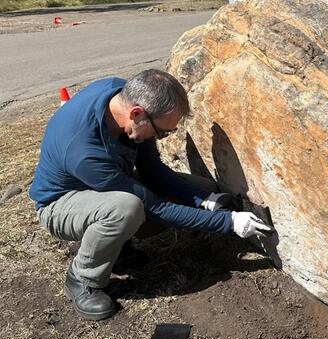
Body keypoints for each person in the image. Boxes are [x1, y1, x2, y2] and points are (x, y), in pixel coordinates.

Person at [29, 69, 272, 321]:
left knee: (199, 187)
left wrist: (204, 199)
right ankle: (82, 278)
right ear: (137, 114)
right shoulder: (83, 149)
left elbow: (153, 171)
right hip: (60, 204)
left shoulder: (124, 97)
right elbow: (155, 207)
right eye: (162, 132)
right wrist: (229, 223)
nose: (162, 137)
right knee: (127, 209)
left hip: (104, 187)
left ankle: (116, 247)